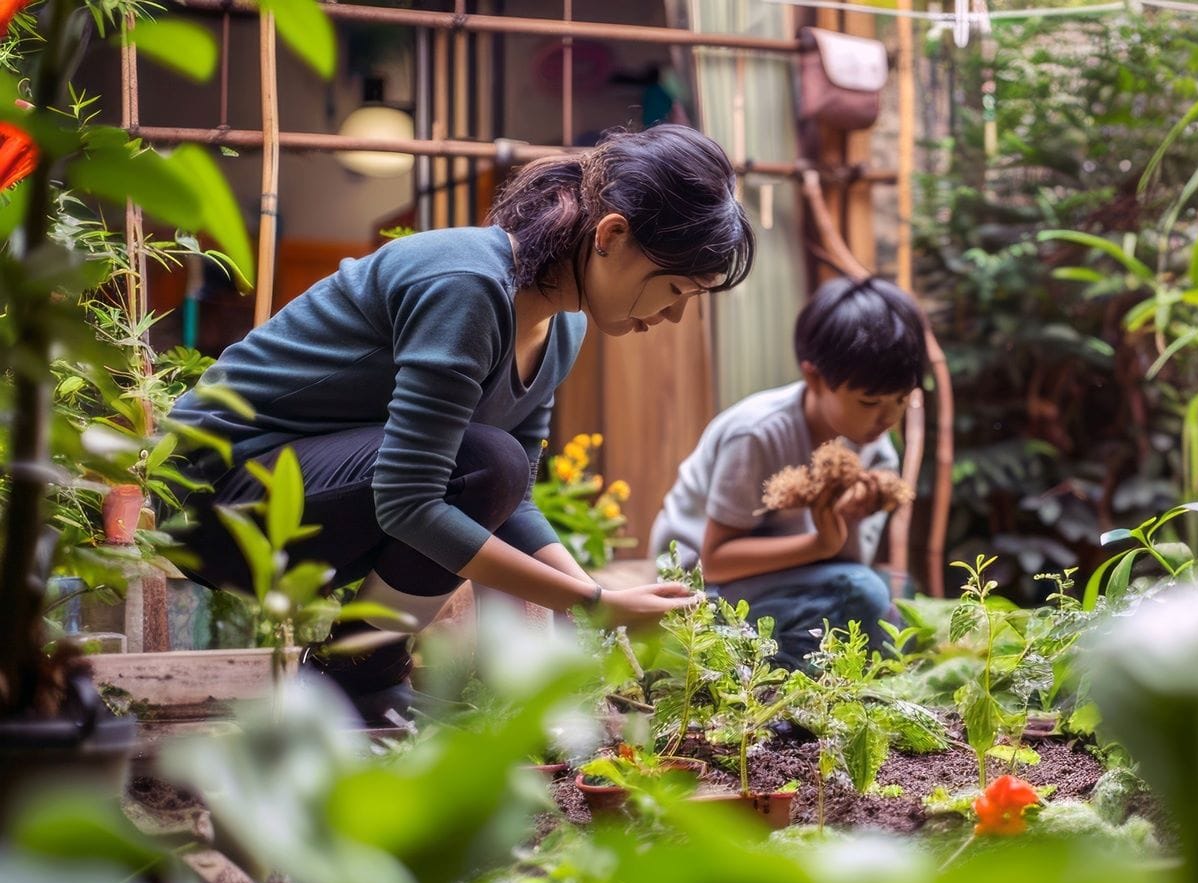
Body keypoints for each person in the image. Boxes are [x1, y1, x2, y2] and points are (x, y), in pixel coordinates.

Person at [166, 124, 755, 726]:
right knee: (485, 461)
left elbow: (510, 496)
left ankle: (356, 683)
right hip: (211, 496)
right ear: (612, 236)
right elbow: (410, 502)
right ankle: (352, 680)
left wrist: (594, 603)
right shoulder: (468, 285)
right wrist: (594, 601)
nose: (677, 315)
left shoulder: (563, 326)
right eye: (677, 288)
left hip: (304, 495)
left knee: (492, 469)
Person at [648, 277, 923, 667]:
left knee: (894, 590)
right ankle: (769, 679)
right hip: (697, 583)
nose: (888, 417)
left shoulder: (873, 451)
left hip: (789, 572)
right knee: (864, 594)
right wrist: (820, 545)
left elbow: (844, 561)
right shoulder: (758, 434)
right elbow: (716, 559)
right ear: (814, 377)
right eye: (869, 401)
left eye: (902, 400)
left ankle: (804, 669)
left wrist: (843, 521)